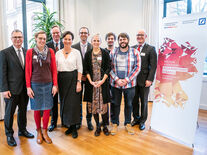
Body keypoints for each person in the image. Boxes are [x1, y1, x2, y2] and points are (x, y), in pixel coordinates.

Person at [0, 29, 34, 147]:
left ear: (23, 38)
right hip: (11, 90)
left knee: (23, 111)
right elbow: (2, 72)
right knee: (9, 113)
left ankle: (22, 130)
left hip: (25, 89)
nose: (18, 39)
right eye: (15, 37)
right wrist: (4, 89)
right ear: (11, 39)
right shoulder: (4, 53)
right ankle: (9, 134)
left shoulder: (27, 52)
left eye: (20, 37)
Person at [25, 30, 58, 144]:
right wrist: (28, 87)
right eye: (40, 38)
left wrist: (55, 85)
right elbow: (28, 71)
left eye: (44, 38)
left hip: (48, 84)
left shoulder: (50, 52)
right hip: (35, 84)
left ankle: (45, 131)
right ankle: (38, 131)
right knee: (37, 108)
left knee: (47, 108)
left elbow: (54, 70)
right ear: (36, 38)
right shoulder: (30, 52)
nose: (42, 40)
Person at [110, 33, 141, 135]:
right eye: (120, 39)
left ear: (128, 40)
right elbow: (108, 68)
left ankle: (128, 123)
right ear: (118, 41)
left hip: (129, 84)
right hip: (116, 84)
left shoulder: (135, 52)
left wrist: (127, 80)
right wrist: (117, 79)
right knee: (115, 104)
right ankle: (115, 123)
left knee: (129, 104)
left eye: (124, 39)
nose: (122, 41)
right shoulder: (113, 52)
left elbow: (137, 68)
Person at [56, 31, 82, 139]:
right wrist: (56, 84)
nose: (67, 41)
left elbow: (80, 68)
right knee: (65, 103)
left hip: (73, 78)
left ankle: (74, 127)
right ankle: (69, 126)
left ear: (72, 40)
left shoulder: (76, 52)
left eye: (69, 39)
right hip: (61, 80)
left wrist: (78, 82)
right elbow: (55, 70)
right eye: (65, 39)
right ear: (62, 40)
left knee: (74, 104)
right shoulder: (57, 53)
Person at [84, 34, 111, 136]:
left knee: (103, 106)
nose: (96, 42)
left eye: (98, 40)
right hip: (92, 85)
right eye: (94, 40)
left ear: (100, 42)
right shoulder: (88, 54)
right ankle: (98, 127)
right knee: (93, 106)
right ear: (91, 42)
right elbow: (86, 69)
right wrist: (91, 81)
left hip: (102, 84)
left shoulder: (105, 53)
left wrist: (102, 81)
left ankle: (104, 126)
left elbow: (108, 68)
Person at [131, 29, 157, 130]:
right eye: (138, 35)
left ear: (145, 36)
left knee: (144, 102)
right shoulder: (132, 48)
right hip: (133, 80)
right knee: (134, 101)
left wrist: (150, 79)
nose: (139, 37)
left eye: (142, 35)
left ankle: (142, 121)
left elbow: (153, 66)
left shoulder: (150, 49)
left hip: (145, 80)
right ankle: (136, 119)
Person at [72, 27, 93, 131]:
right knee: (77, 100)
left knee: (89, 100)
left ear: (88, 34)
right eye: (81, 33)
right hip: (78, 78)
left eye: (85, 33)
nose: (83, 34)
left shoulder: (93, 46)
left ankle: (89, 120)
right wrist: (80, 77)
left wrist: (87, 75)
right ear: (79, 34)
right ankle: (78, 121)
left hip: (89, 78)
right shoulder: (73, 47)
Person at [46, 25, 64, 132]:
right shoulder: (47, 45)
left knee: (64, 100)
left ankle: (65, 120)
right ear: (51, 34)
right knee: (53, 101)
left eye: (57, 33)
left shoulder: (65, 43)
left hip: (64, 77)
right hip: (52, 78)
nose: (56, 35)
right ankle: (53, 122)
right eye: (54, 33)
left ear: (60, 33)